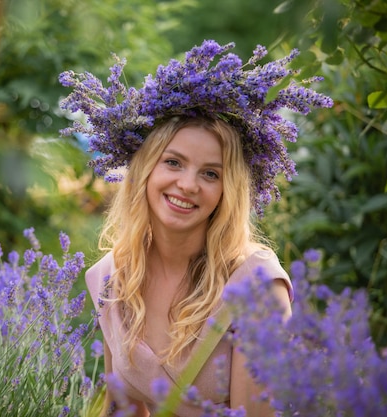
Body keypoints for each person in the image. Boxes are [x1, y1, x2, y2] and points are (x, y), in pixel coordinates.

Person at [59, 40, 332, 416]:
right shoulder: (113, 279)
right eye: (173, 162)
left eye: (210, 173)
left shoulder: (256, 288)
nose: (188, 185)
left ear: (227, 190)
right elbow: (122, 409)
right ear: (145, 170)